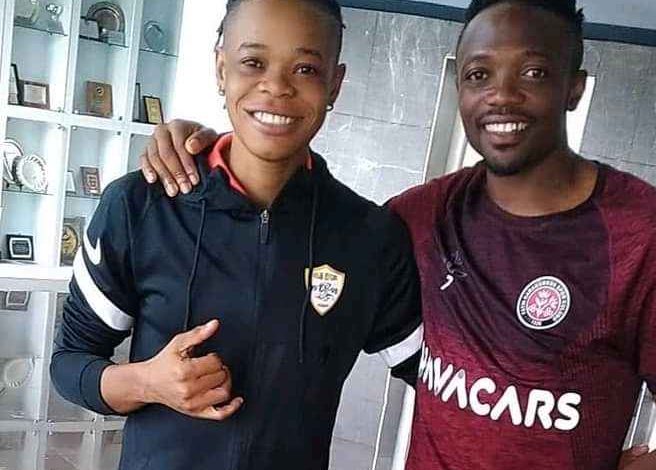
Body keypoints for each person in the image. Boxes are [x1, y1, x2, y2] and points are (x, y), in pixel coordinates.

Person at [141, 0, 656, 469]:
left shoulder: (649, 238)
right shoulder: (419, 216)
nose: (501, 95)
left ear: (574, 88)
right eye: (479, 75)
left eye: (534, 73)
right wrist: (199, 145)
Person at [50, 1, 424, 469]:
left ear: (335, 83)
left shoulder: (370, 237)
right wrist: (147, 383)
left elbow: (443, 376)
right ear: (220, 68)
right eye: (253, 62)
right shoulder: (141, 207)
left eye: (306, 68)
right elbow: (69, 362)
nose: (276, 86)